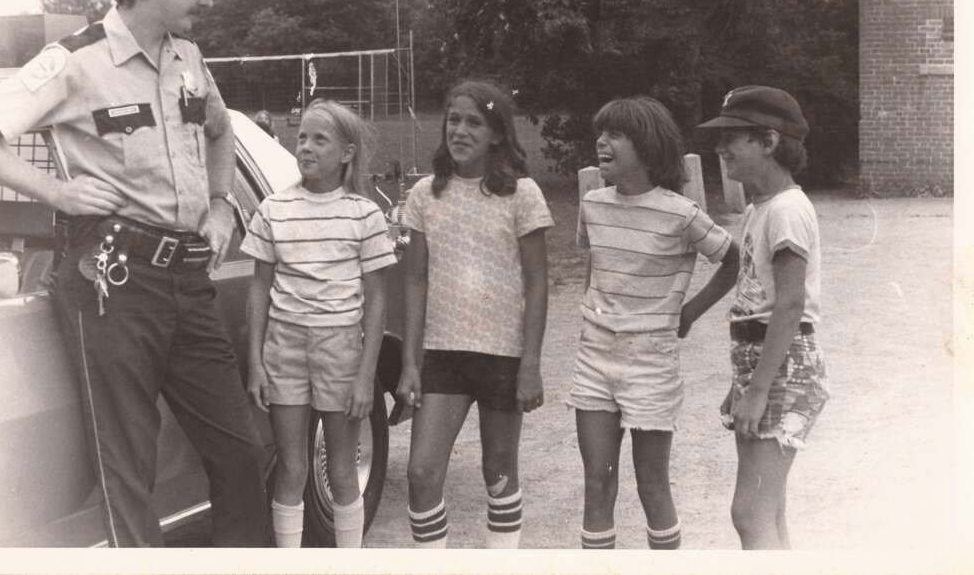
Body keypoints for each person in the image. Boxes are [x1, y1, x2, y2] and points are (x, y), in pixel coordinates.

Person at [0, 0, 269, 547]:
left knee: (241, 452)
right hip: (113, 280)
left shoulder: (186, 57)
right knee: (129, 470)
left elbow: (219, 131)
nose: (210, 1)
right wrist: (55, 192)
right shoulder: (76, 60)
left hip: (189, 279)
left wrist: (220, 205)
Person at [568, 97, 739, 551]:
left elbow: (732, 259)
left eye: (615, 135)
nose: (601, 142)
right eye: (600, 133)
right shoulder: (592, 204)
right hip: (594, 357)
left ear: (647, 146)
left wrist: (690, 311)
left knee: (652, 486)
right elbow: (598, 264)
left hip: (651, 361)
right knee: (597, 484)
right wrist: (595, 309)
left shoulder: (681, 213)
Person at [395, 79, 554, 549]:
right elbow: (415, 280)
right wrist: (408, 363)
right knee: (422, 472)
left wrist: (531, 364)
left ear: (497, 134)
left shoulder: (522, 194)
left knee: (498, 471)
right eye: (453, 119)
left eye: (474, 122)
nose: (460, 131)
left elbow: (537, 282)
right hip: (441, 354)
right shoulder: (425, 195)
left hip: (502, 355)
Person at [242, 99, 396, 548]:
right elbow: (259, 289)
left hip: (341, 349)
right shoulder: (273, 208)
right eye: (302, 137)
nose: (305, 147)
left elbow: (377, 298)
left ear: (346, 153)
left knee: (344, 470)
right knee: (291, 468)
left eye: (319, 139)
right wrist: (255, 361)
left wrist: (366, 376)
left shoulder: (363, 214)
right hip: (284, 349)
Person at [697, 85, 829, 550]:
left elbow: (790, 306)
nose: (720, 148)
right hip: (767, 364)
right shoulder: (761, 208)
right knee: (767, 508)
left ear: (769, 141)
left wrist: (756, 392)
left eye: (733, 137)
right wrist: (743, 384)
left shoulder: (788, 211)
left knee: (750, 511)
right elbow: (758, 299)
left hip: (784, 368)